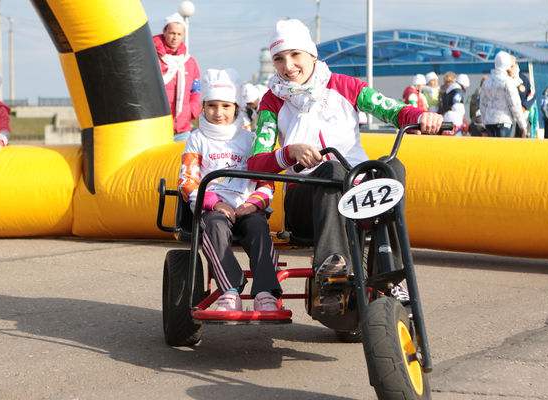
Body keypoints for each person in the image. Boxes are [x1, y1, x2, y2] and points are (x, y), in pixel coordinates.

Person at [247, 19, 443, 313]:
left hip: (358, 194)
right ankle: (331, 269)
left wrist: (421, 116)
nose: (288, 66)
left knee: (391, 168)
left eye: (295, 54)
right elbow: (255, 163)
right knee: (332, 170)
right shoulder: (271, 101)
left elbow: (392, 110)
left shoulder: (345, 86)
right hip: (307, 204)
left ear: (312, 54)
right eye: (279, 59)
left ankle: (390, 275)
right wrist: (289, 153)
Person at [178, 68, 281, 312]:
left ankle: (266, 292)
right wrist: (215, 203)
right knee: (214, 226)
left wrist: (254, 203)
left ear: (236, 108)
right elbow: (187, 181)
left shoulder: (250, 140)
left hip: (247, 206)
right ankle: (230, 290)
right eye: (212, 106)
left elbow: (266, 182)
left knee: (258, 228)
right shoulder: (197, 138)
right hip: (213, 208)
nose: (218, 112)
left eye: (225, 106)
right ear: (203, 107)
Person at [153, 12, 201, 142]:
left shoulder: (189, 61)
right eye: (172, 33)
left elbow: (196, 90)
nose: (175, 37)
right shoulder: (152, 57)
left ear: (183, 35)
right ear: (164, 32)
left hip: (183, 128)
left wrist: (192, 110)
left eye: (179, 34)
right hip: (157, 127)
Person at [479, 51, 527, 138]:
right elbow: (515, 105)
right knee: (503, 146)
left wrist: (484, 122)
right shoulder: (508, 81)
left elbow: (482, 104)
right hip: (504, 121)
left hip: (489, 122)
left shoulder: (487, 81)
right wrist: (523, 125)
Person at [509, 55, 536, 138]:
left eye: (512, 66)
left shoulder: (523, 79)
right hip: (508, 118)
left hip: (523, 117)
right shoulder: (504, 80)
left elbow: (532, 95)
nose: (510, 69)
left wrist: (524, 107)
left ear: (516, 65)